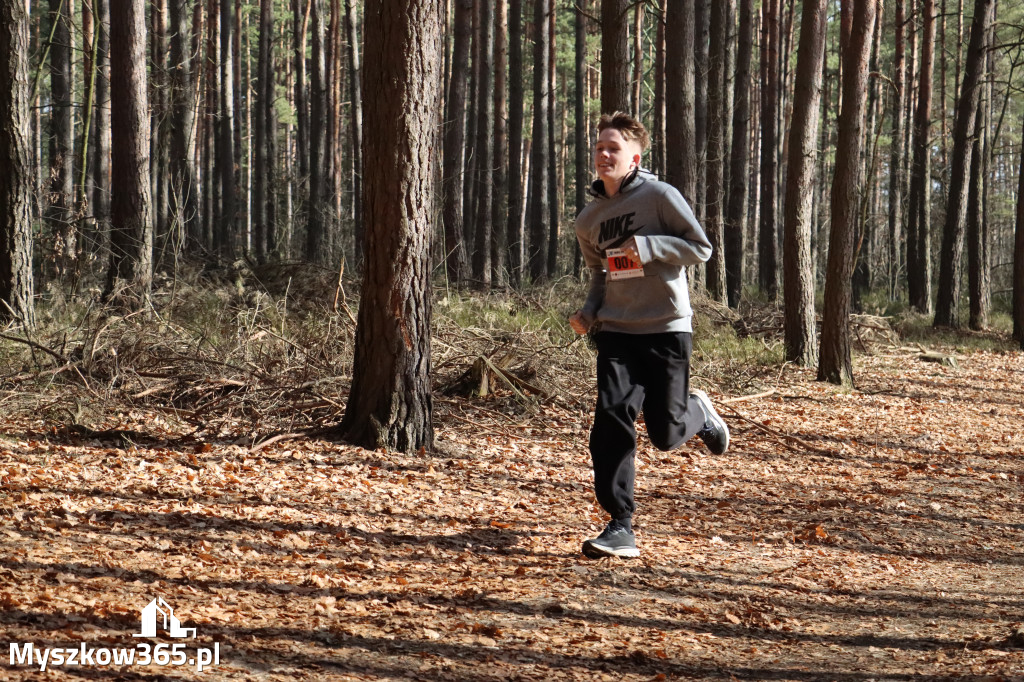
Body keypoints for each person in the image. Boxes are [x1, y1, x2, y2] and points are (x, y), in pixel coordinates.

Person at [569, 111, 730, 559]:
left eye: (613, 149)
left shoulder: (660, 196)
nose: (603, 154)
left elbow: (701, 248)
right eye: (599, 148)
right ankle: (620, 524)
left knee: (665, 432)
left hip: (666, 327)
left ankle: (697, 411)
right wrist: (588, 311)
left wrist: (652, 246)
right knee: (611, 418)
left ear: (634, 157)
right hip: (617, 331)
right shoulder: (589, 220)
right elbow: (599, 274)